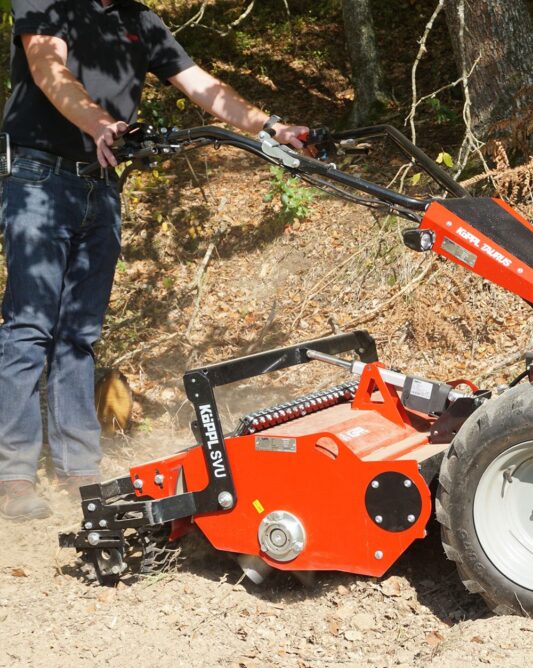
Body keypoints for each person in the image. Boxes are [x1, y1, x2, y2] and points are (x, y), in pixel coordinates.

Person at [0, 0, 308, 521]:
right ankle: (14, 477)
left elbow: (199, 84)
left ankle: (80, 471)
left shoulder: (139, 19)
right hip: (38, 179)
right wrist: (99, 122)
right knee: (30, 328)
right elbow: (48, 68)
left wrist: (271, 127)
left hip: (102, 186)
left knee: (79, 334)